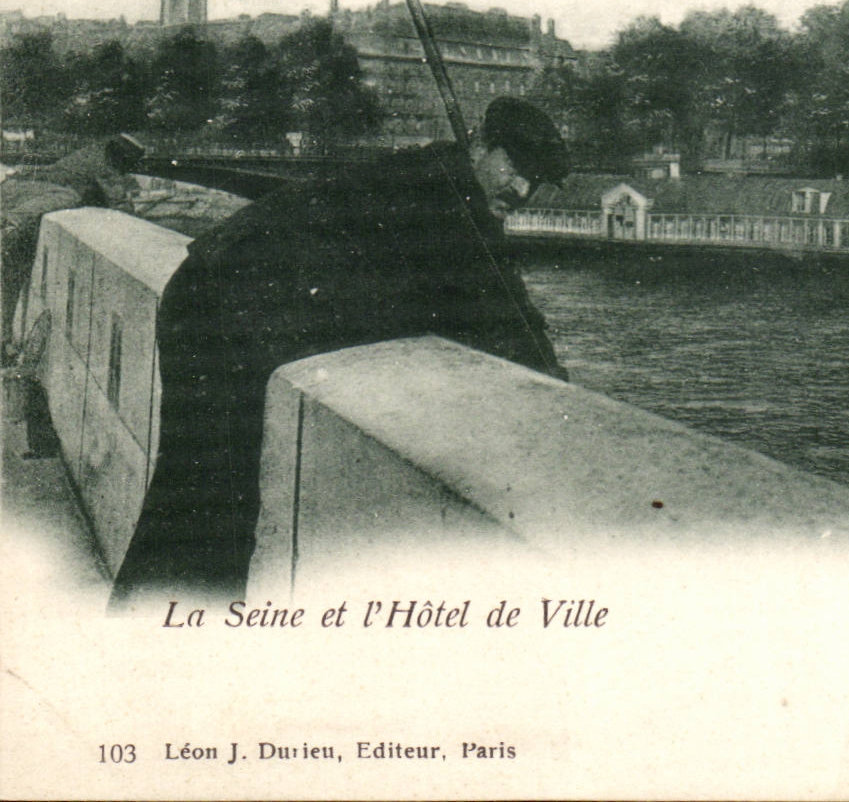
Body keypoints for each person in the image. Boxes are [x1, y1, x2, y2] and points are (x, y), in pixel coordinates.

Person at [109, 97, 569, 609]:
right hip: (221, 313)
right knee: (209, 495)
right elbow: (506, 310)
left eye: (535, 179)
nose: (522, 189)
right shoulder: (444, 195)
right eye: (516, 167)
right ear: (481, 145)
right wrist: (558, 388)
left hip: (217, 301)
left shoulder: (439, 178)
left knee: (202, 492)